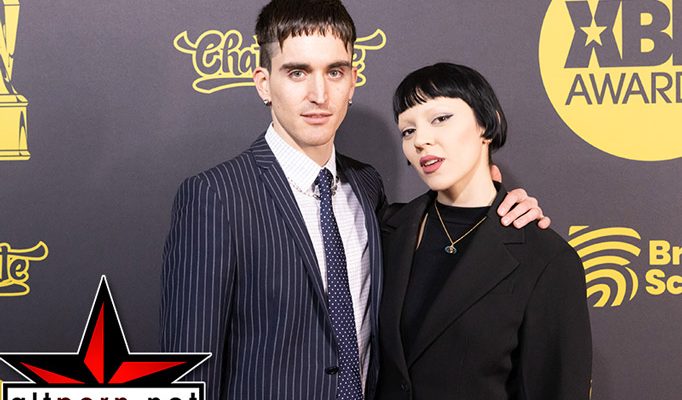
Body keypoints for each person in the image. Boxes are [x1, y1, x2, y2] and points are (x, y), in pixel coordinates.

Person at [160, 2, 549, 400]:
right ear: (264, 83)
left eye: (335, 72)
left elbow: (441, 231)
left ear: (352, 81)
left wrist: (497, 206)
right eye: (297, 72)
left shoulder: (366, 185)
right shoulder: (215, 197)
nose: (319, 94)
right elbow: (190, 373)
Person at [376, 63, 592, 400]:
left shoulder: (544, 257)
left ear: (486, 124)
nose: (421, 140)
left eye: (440, 119)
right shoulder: (385, 231)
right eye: (408, 131)